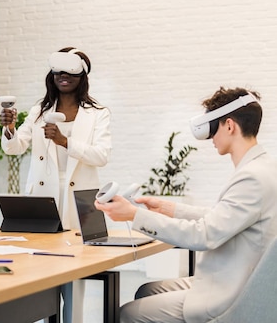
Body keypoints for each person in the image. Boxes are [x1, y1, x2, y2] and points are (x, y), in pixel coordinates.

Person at [95, 87, 277, 323]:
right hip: (238, 275)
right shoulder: (265, 169)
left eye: (213, 129)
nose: (211, 138)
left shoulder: (250, 178)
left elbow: (204, 235)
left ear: (229, 126)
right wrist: (170, 209)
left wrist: (134, 216)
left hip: (231, 292)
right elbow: (222, 217)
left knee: (126, 314)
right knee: (147, 291)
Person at [0, 47, 112, 323]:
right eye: (57, 71)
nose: (63, 76)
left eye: (69, 71)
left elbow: (102, 156)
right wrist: (10, 129)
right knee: (42, 272)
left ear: (82, 74)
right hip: (44, 196)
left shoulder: (97, 113)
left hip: (81, 200)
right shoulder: (40, 111)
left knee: (74, 280)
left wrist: (65, 142)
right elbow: (15, 148)